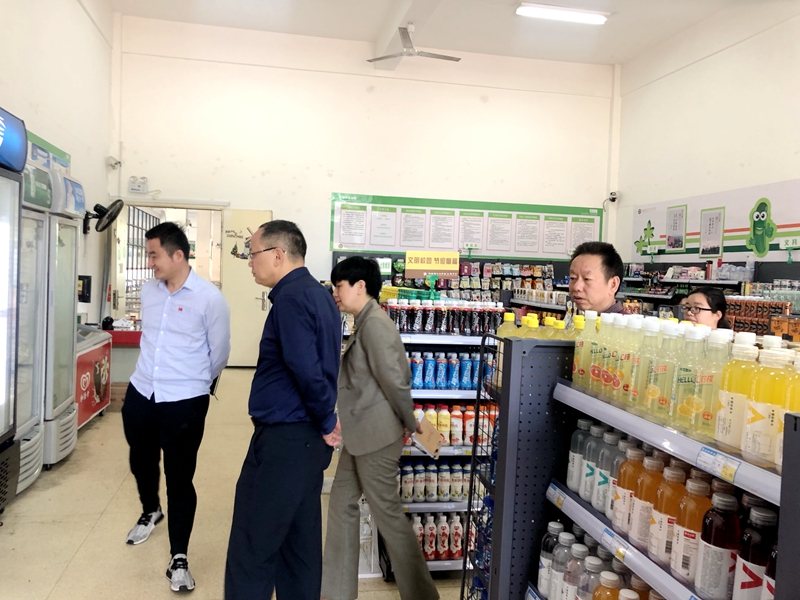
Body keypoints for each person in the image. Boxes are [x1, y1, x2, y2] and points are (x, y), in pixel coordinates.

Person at [225, 220, 342, 600]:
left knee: (252, 547)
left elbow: (306, 369)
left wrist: (327, 420)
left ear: (278, 255)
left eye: (252, 253)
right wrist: (324, 421)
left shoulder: (291, 298)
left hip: (284, 441)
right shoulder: (319, 295)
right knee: (299, 546)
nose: (249, 262)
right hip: (305, 442)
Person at [321, 257, 439, 600]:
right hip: (360, 435)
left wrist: (411, 424)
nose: (335, 293)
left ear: (360, 286)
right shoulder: (365, 321)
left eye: (339, 286)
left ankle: (423, 596)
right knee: (341, 506)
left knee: (389, 518)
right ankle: (336, 593)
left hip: (376, 438)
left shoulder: (375, 325)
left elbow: (396, 382)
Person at [122, 222, 231, 593]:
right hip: (142, 390)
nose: (150, 262)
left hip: (184, 399)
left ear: (178, 255)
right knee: (140, 458)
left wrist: (194, 382)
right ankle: (150, 509)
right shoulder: (148, 291)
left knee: (180, 477)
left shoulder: (209, 298)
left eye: (154, 255)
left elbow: (220, 352)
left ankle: (179, 557)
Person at [568, 241, 624, 313]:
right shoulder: (584, 319)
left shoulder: (625, 320)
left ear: (613, 285)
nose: (576, 287)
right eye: (573, 278)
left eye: (587, 279)